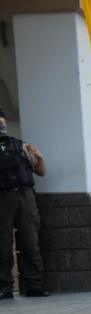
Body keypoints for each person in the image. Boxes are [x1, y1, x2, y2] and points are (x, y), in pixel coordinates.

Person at [0, 108, 49, 299]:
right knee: (2, 244)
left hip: (24, 196)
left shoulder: (21, 146)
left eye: (2, 123)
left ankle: (34, 285)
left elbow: (41, 171)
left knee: (30, 241)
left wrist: (40, 156)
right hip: (2, 198)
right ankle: (4, 287)